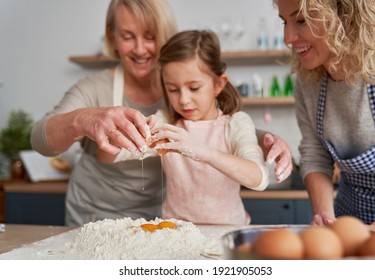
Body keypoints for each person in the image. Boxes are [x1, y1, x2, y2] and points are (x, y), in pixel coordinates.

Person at [31, 0, 292, 227]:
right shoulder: (151, 114)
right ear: (112, 37)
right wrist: (89, 123)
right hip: (101, 214)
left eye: (150, 35)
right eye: (127, 36)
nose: (140, 48)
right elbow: (48, 141)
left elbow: (231, 138)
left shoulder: (183, 81)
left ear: (217, 84)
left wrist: (264, 138)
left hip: (173, 223)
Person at [98, 30, 270, 225]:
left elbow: (259, 179)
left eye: (194, 88)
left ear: (218, 84)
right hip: (176, 233)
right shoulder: (164, 123)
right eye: (173, 89)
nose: (183, 100)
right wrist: (116, 132)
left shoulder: (236, 123)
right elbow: (108, 156)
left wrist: (203, 152)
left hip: (227, 230)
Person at [275, 0, 375, 232]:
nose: (288, 37)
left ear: (344, 14)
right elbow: (315, 153)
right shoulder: (308, 81)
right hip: (350, 217)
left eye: (302, 20)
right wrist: (325, 217)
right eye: (284, 22)